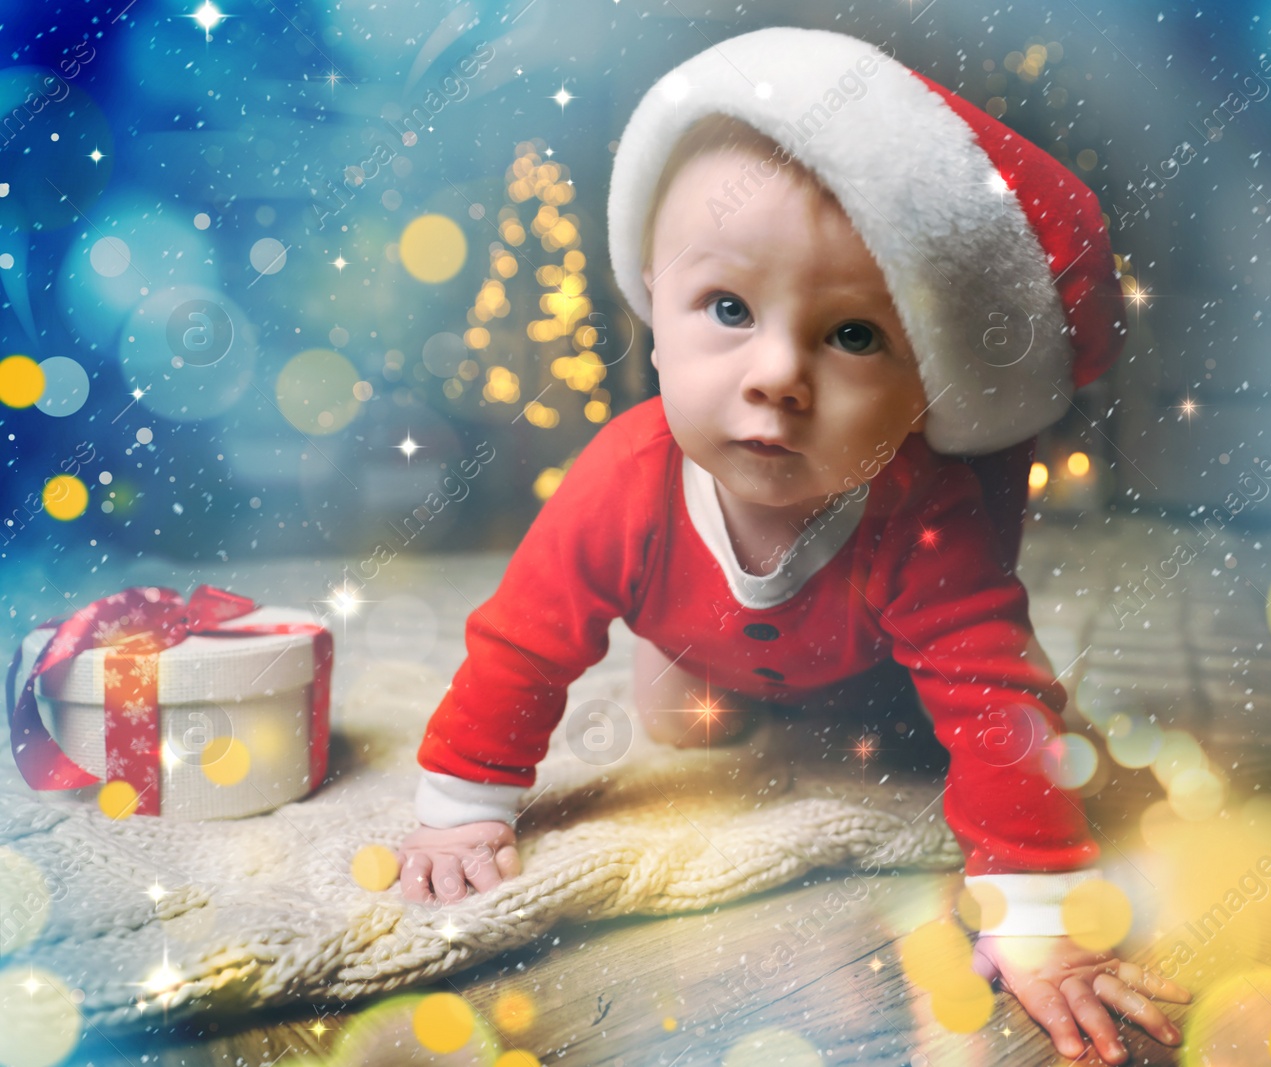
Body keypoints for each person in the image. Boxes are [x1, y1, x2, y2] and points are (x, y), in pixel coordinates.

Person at [397, 26, 1189, 1062]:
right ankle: (682, 655)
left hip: (861, 647)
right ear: (652, 302)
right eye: (726, 307)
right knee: (684, 719)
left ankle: (848, 682)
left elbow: (994, 698)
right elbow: (522, 642)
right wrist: (462, 802)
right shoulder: (620, 482)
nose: (776, 373)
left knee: (926, 725)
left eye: (853, 334)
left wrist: (1038, 913)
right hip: (689, 635)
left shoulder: (924, 508)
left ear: (928, 385)